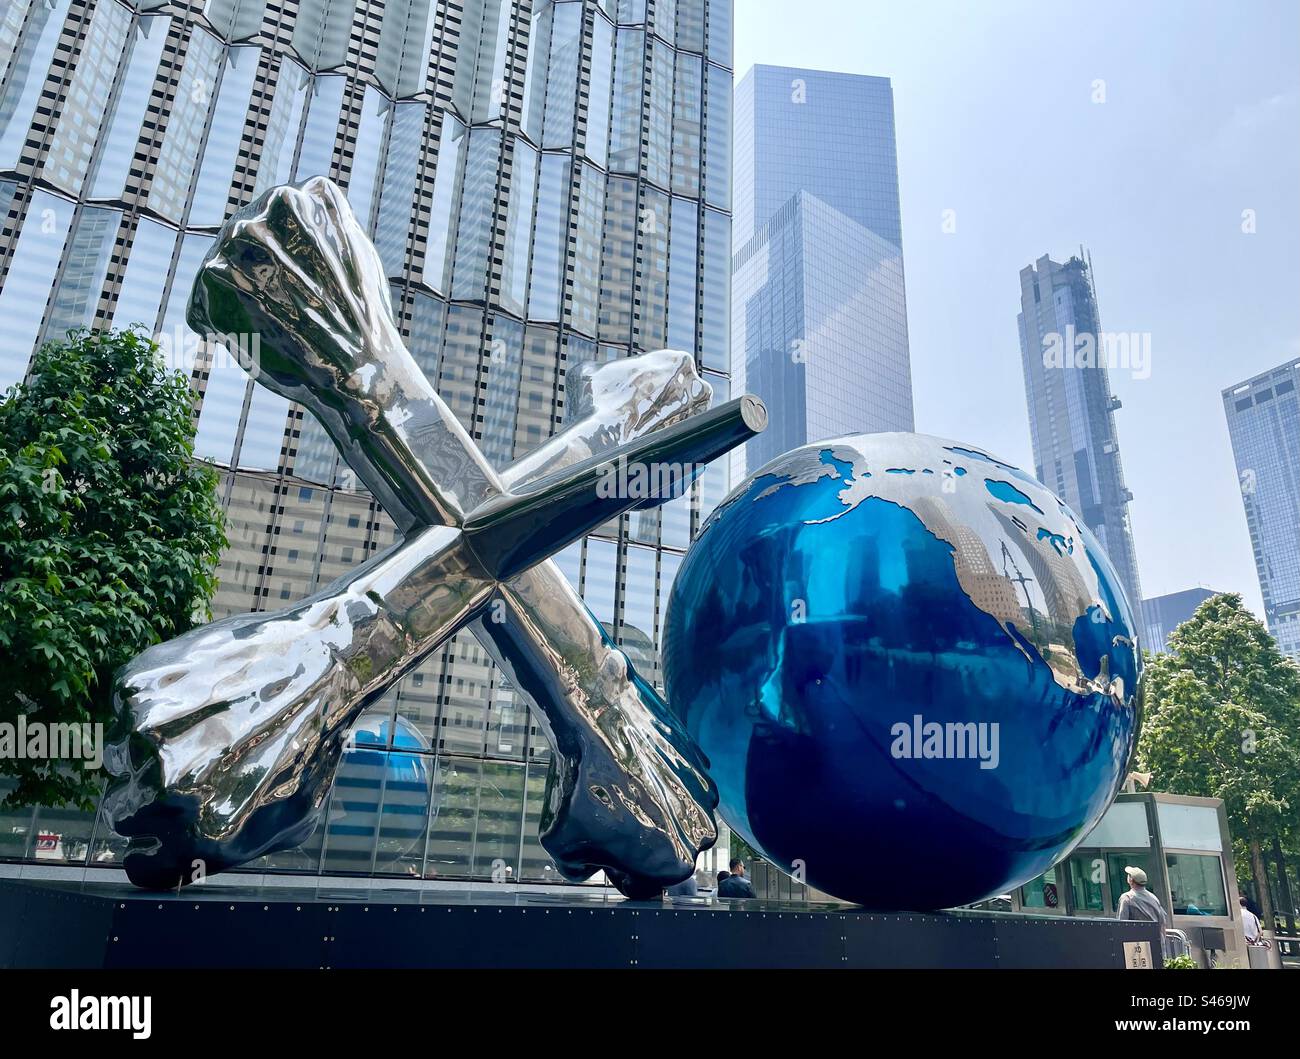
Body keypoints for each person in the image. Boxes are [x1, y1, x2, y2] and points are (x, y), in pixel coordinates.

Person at [1117, 866, 1168, 930]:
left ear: (1131, 880)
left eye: (1129, 875)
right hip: (1154, 938)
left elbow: (1121, 925)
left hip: (1134, 938)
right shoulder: (1154, 898)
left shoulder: (1127, 898)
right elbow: (1163, 923)